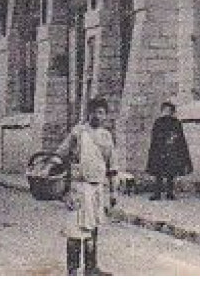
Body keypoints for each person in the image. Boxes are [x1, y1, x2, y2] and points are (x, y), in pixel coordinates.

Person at [57, 97, 119, 276]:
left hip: (97, 188)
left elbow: (112, 166)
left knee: (93, 228)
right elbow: (60, 155)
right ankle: (73, 270)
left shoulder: (106, 136)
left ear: (105, 115)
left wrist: (113, 192)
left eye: (102, 112)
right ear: (88, 113)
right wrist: (64, 188)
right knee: (74, 230)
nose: (98, 116)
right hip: (78, 187)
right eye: (95, 112)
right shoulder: (77, 133)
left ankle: (91, 268)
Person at [145, 100, 193, 200]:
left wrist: (177, 147)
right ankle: (157, 193)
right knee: (158, 173)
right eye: (165, 110)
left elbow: (180, 138)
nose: (167, 112)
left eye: (169, 110)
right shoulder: (158, 122)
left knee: (170, 173)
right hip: (159, 150)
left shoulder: (176, 123)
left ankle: (170, 193)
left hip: (171, 150)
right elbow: (154, 137)